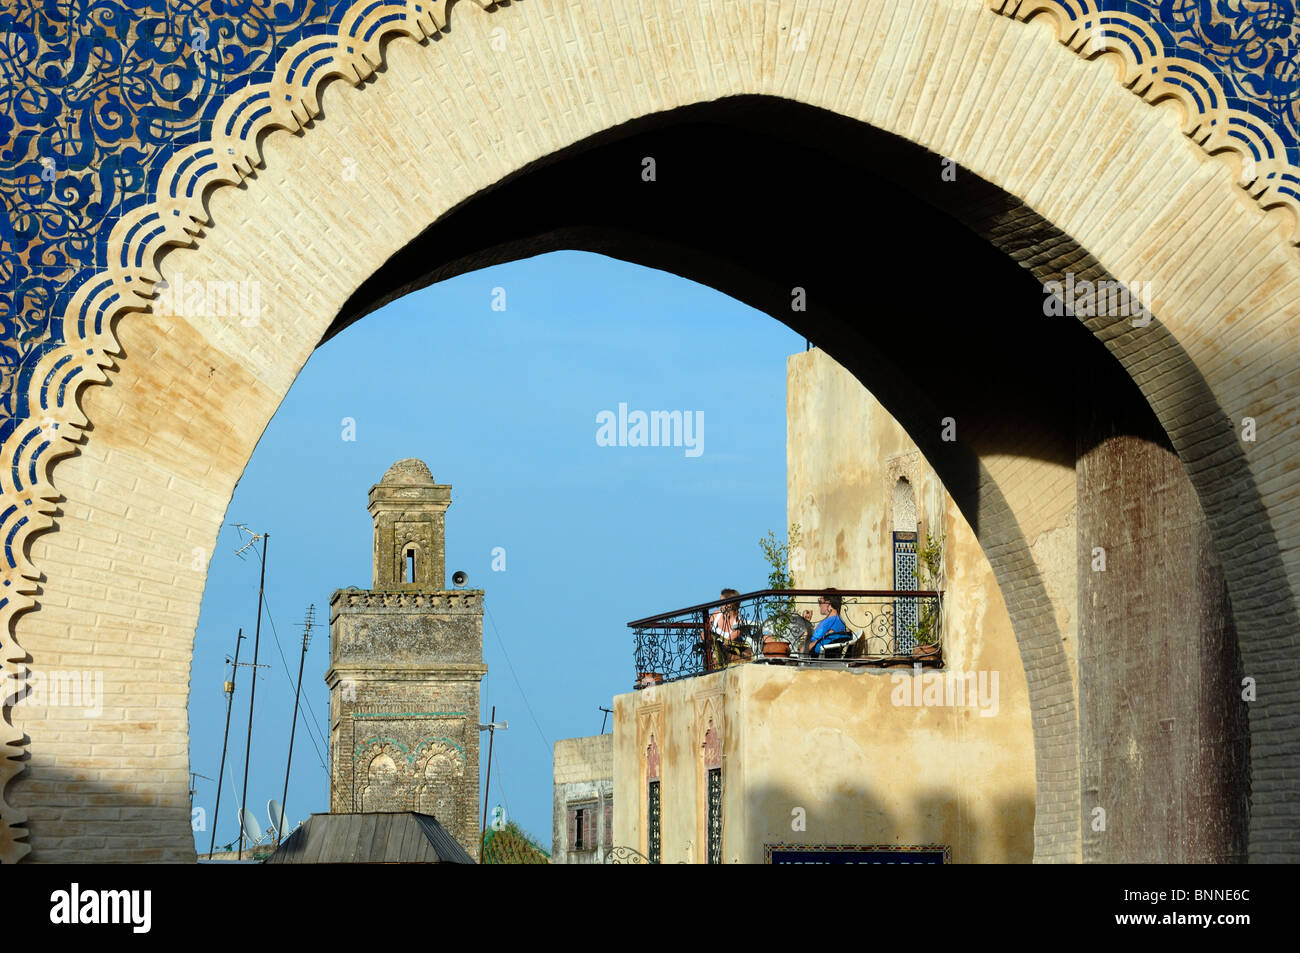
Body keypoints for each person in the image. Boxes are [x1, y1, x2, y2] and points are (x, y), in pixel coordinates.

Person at [709, 588, 752, 665]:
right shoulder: (715, 615)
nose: (718, 605)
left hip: (727, 658)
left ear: (729, 604)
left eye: (721, 601)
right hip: (712, 658)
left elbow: (728, 642)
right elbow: (704, 633)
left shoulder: (739, 622)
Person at [808, 589, 851, 657]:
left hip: (813, 656)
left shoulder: (837, 621)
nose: (819, 605)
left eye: (820, 601)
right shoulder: (827, 620)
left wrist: (807, 647)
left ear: (827, 603)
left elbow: (829, 638)